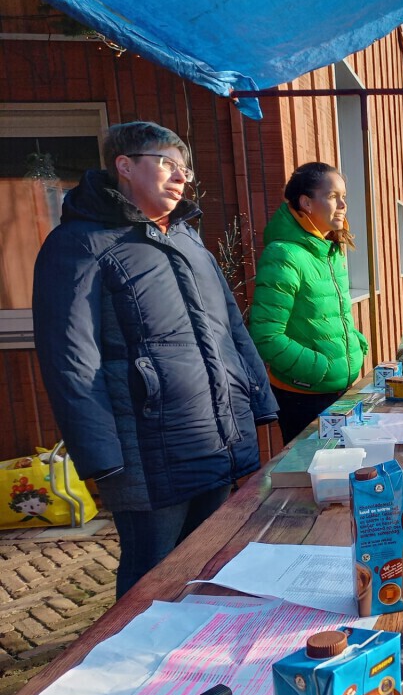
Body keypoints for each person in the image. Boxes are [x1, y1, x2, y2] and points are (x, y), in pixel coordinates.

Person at [32, 121, 278, 598]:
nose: (180, 176)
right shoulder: (80, 245)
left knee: (208, 565)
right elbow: (71, 362)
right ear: (124, 166)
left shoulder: (188, 241)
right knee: (151, 580)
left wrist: (258, 403)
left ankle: (195, 666)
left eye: (184, 167)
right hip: (144, 453)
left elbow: (231, 329)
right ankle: (130, 663)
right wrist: (102, 460)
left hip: (214, 437)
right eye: (166, 163)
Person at [249, 163, 369, 444]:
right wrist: (321, 368)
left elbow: (333, 315)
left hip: (338, 390)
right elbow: (266, 336)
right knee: (312, 481)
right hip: (304, 399)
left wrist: (355, 343)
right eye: (332, 196)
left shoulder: (330, 250)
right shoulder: (284, 255)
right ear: (306, 202)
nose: (342, 205)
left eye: (344, 197)